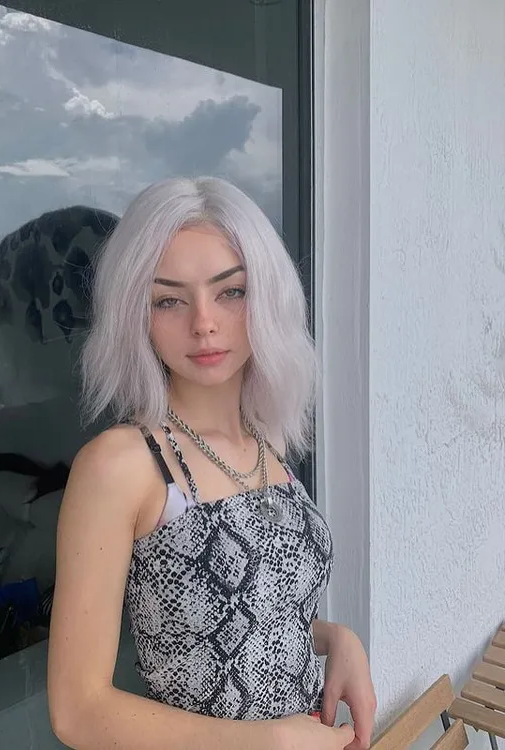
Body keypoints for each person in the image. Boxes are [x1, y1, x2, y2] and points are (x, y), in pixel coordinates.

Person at [47, 177, 376, 750]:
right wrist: (268, 743)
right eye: (169, 300)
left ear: (267, 297)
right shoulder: (123, 466)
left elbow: (249, 619)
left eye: (231, 292)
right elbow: (77, 711)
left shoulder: (264, 443)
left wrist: (336, 639)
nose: (203, 322)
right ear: (136, 314)